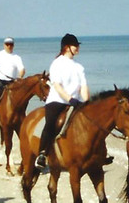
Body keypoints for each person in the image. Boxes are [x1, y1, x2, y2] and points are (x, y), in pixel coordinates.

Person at [35, 34, 89, 170]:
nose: (78, 48)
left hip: (76, 102)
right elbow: (57, 86)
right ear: (67, 47)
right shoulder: (57, 63)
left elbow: (83, 87)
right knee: (51, 124)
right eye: (75, 45)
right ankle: (42, 154)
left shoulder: (79, 67)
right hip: (57, 101)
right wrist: (69, 99)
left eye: (78, 45)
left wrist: (87, 102)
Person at [0, 37, 25, 126]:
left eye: (11, 44)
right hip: (0, 81)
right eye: (7, 44)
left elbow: (22, 69)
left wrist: (20, 76)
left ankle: (21, 116)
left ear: (13, 45)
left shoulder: (17, 57)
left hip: (12, 82)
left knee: (22, 97)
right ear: (4, 45)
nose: (9, 46)